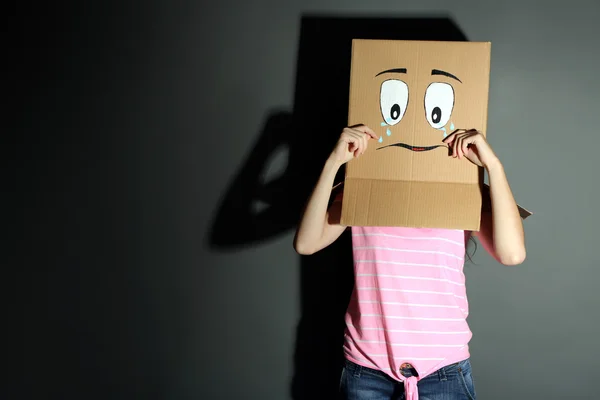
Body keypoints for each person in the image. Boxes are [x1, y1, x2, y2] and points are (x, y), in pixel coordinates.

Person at [293, 124, 526, 400]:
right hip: (367, 371)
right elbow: (306, 243)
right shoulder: (365, 188)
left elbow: (512, 254)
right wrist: (334, 162)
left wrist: (493, 166)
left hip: (443, 372)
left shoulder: (462, 194)